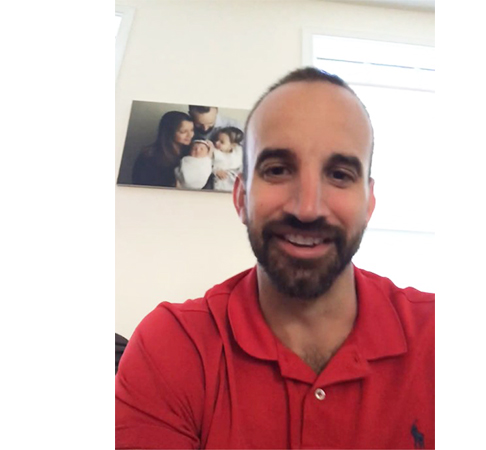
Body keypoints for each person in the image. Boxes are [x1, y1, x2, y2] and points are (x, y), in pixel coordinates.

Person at [116, 67, 435, 449]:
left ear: (368, 203)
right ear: (240, 198)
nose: (308, 208)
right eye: (278, 169)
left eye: (339, 174)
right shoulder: (172, 348)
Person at [132, 111, 194, 188]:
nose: (190, 135)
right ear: (170, 131)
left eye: (192, 130)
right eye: (183, 131)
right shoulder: (148, 157)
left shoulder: (192, 151)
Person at [212, 126, 244, 192]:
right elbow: (208, 165)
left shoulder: (238, 151)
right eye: (217, 139)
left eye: (222, 142)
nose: (217, 143)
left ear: (233, 145)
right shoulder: (214, 152)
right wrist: (215, 171)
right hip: (222, 182)